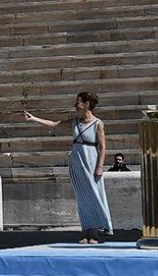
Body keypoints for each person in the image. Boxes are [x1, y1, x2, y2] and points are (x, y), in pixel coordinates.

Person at [24, 91, 113, 244]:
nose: (75, 105)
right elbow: (54, 124)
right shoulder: (75, 122)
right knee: (82, 198)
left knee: (94, 195)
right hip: (76, 161)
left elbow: (103, 147)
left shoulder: (98, 123)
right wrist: (33, 118)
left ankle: (96, 231)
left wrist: (100, 166)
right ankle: (85, 232)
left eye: (78, 102)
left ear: (87, 104)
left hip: (91, 160)